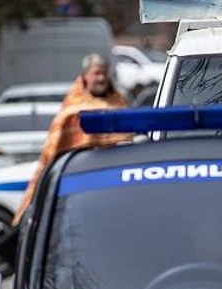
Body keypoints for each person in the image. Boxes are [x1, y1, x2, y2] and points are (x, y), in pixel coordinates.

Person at [14, 54, 134, 222]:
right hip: (80, 180)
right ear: (85, 76)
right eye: (96, 73)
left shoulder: (120, 105)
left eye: (104, 73)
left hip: (116, 179)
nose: (101, 78)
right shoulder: (72, 110)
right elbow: (55, 148)